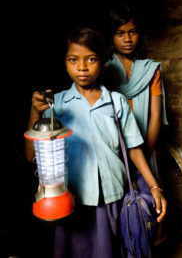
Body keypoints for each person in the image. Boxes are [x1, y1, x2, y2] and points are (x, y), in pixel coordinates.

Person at [25, 27, 166, 258]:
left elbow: (133, 149)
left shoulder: (117, 102)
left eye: (91, 59)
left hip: (112, 198)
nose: (82, 67)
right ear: (65, 62)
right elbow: (31, 156)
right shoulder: (55, 105)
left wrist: (154, 186)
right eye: (74, 59)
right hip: (71, 200)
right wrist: (34, 112)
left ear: (102, 62)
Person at [104, 2, 168, 179]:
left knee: (146, 197)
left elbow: (155, 115)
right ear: (111, 36)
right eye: (120, 33)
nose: (127, 39)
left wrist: (145, 155)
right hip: (114, 149)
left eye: (132, 32)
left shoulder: (151, 70)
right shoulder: (104, 71)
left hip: (146, 146)